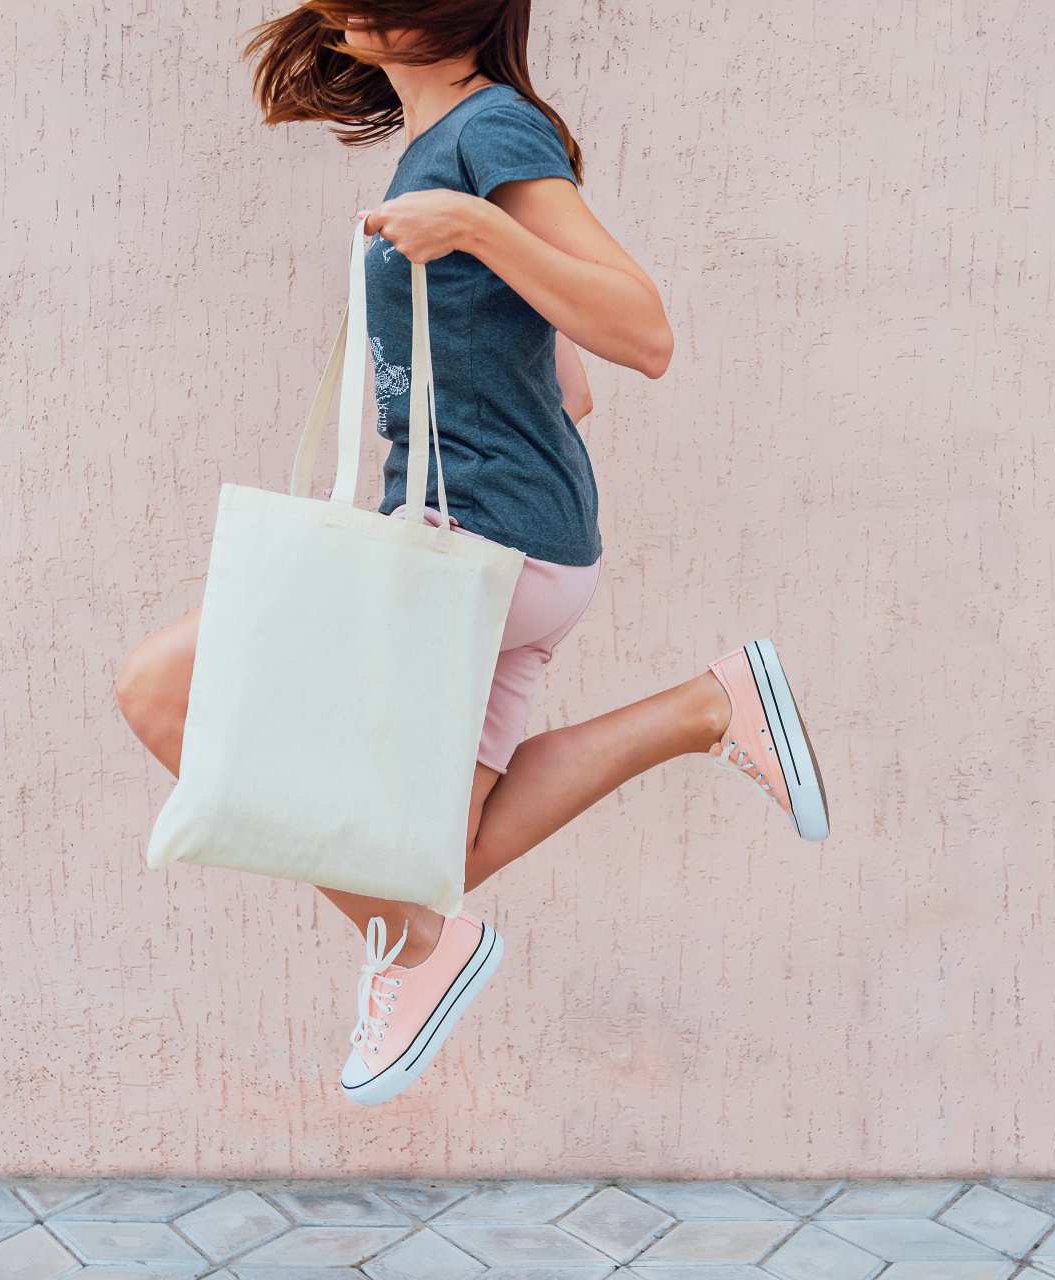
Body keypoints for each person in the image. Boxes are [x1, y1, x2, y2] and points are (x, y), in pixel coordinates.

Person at [114, 0, 828, 1106]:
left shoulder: (490, 134)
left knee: (163, 689)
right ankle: (710, 704)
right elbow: (567, 381)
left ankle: (415, 950)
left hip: (482, 543)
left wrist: (479, 228)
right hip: (520, 544)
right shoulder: (443, 144)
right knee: (439, 851)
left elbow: (643, 333)